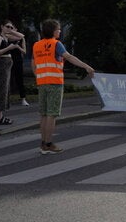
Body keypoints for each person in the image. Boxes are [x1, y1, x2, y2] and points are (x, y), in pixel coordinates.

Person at [32, 19, 95, 154]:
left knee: (43, 115)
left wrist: (38, 76)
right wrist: (86, 67)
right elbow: (69, 57)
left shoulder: (36, 45)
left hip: (42, 83)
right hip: (54, 83)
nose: (60, 31)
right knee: (51, 115)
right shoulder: (56, 44)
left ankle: (43, 143)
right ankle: (49, 144)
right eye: (59, 29)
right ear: (54, 31)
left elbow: (33, 64)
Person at [0, 21, 21, 125]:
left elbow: (21, 36)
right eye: (7, 26)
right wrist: (8, 48)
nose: (9, 28)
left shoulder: (6, 37)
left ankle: (1, 116)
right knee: (0, 89)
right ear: (1, 26)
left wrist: (12, 31)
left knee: (5, 90)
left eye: (11, 27)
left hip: (6, 65)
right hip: (1, 65)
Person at [2, 20, 29, 106]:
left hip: (18, 60)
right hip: (8, 59)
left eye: (12, 28)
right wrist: (11, 32)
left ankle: (23, 98)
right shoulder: (7, 36)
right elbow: (13, 37)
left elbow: (24, 51)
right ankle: (6, 98)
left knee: (19, 79)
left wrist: (18, 47)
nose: (10, 29)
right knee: (7, 79)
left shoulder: (21, 39)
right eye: (9, 27)